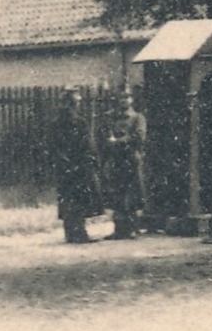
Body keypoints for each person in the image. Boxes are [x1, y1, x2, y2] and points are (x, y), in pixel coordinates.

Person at [52, 89, 102, 245]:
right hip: (79, 166)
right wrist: (92, 161)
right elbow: (88, 145)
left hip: (66, 167)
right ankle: (79, 233)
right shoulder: (80, 123)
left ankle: (71, 233)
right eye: (75, 103)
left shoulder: (56, 123)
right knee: (78, 199)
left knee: (69, 199)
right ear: (72, 105)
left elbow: (52, 149)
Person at [103, 91, 149, 240]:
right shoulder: (114, 118)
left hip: (131, 159)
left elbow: (139, 136)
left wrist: (118, 142)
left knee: (132, 194)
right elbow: (107, 136)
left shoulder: (137, 118)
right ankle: (119, 229)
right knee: (117, 194)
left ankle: (132, 228)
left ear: (131, 100)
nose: (123, 101)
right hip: (117, 160)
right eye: (121, 98)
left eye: (126, 97)